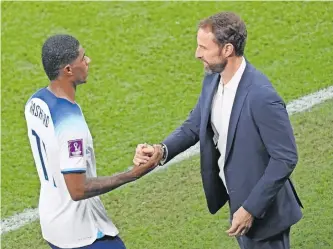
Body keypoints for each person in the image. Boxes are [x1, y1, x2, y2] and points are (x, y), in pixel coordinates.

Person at [133, 11, 303, 249]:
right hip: (239, 201)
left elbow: (285, 157)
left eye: (204, 47)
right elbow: (195, 124)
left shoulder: (262, 96)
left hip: (264, 213)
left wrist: (251, 208)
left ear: (227, 49)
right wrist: (161, 150)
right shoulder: (213, 78)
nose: (197, 54)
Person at [24, 34, 162, 249]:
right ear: (68, 70)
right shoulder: (72, 128)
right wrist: (132, 174)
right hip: (80, 233)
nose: (88, 61)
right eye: (82, 58)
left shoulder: (35, 102)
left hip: (52, 223)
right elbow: (78, 190)